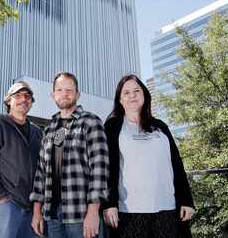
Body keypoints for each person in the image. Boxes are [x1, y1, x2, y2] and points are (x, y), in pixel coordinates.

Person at [102, 74, 195, 238]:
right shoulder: (112, 126)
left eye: (137, 91)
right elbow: (106, 168)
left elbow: (176, 165)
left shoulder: (160, 126)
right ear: (120, 99)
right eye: (126, 92)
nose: (132, 95)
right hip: (130, 212)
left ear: (144, 95)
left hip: (168, 209)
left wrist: (187, 201)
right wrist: (109, 204)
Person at [30, 72, 109, 238]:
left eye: (69, 90)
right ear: (53, 95)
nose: (64, 93)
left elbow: (99, 169)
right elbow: (41, 173)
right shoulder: (51, 129)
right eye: (59, 90)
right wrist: (37, 211)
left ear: (78, 94)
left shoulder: (90, 122)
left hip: (80, 214)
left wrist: (93, 211)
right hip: (52, 216)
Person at [0, 81, 43, 238]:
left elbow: (42, 169)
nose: (23, 99)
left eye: (27, 96)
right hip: (6, 205)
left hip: (31, 208)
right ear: (8, 101)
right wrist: (0, 197)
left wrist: (38, 205)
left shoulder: (37, 132)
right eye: (17, 96)